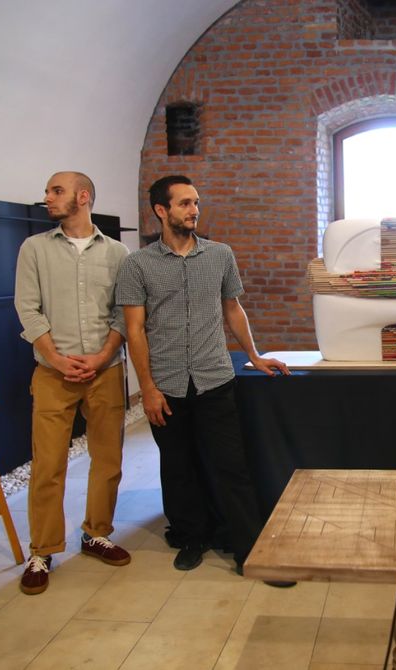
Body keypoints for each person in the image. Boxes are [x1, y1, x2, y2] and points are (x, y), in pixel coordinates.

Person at [116, 175, 293, 586]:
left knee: (232, 467)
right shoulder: (137, 264)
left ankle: (249, 549)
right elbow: (134, 331)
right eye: (184, 203)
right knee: (178, 467)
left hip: (214, 379)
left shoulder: (220, 255)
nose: (194, 210)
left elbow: (233, 309)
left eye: (196, 202)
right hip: (167, 384)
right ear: (161, 210)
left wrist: (254, 355)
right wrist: (147, 389)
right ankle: (191, 538)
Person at [14, 171, 131, 595]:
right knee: (47, 464)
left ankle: (96, 533)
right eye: (48, 190)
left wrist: (101, 357)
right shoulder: (34, 249)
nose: (47, 197)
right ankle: (42, 550)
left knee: (108, 460)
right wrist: (57, 359)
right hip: (52, 373)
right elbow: (28, 309)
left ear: (83, 197)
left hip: (106, 370)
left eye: (56, 190)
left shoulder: (118, 252)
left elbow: (124, 310)